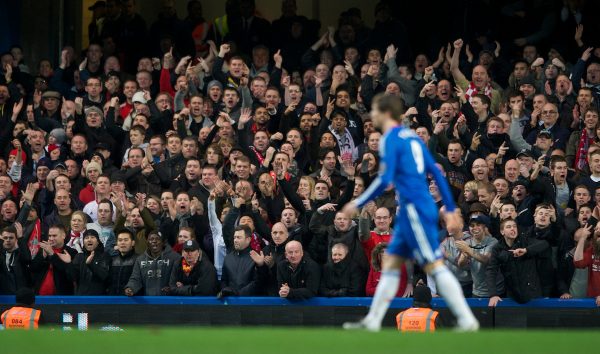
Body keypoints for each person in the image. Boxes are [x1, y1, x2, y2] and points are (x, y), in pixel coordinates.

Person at [341, 94, 478, 332]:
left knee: (434, 265)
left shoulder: (390, 139)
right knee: (392, 265)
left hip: (414, 207)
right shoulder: (413, 139)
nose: (372, 115)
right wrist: (451, 207)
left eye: (375, 111)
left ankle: (467, 319)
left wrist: (360, 200)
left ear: (385, 114)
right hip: (414, 207)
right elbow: (436, 173)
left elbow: (385, 177)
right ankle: (372, 321)